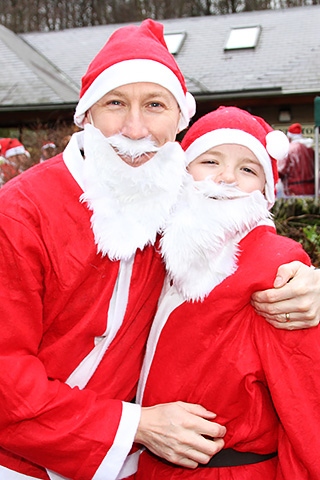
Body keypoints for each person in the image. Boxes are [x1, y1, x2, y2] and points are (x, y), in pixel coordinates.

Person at [0, 18, 318, 480]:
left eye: (154, 105)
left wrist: (312, 284)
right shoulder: (20, 212)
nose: (134, 128)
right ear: (86, 113)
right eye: (115, 103)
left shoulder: (180, 201)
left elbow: (244, 239)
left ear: (177, 119)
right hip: (26, 464)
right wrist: (136, 425)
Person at [134, 107, 320, 479]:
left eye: (248, 169)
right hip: (145, 464)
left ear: (266, 190)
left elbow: (304, 401)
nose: (227, 178)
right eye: (210, 160)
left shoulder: (277, 265)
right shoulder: (145, 251)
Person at [277, 122, 315, 196]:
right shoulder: (310, 150)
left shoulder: (288, 150)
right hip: (311, 188)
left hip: (293, 189)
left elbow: (281, 170)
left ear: (289, 137)